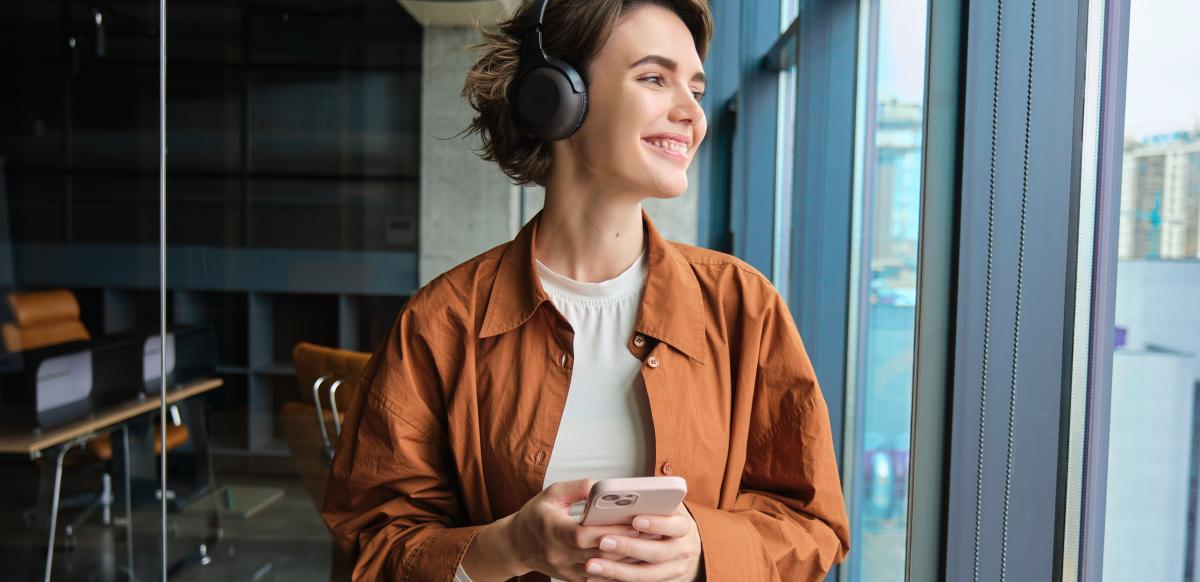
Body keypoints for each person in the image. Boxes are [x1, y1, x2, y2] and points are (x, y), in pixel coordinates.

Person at [321, 0, 850, 580]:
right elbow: (371, 541)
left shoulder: (744, 306)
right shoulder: (442, 321)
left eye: (696, 90)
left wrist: (703, 547)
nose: (692, 114)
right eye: (654, 78)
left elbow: (814, 525)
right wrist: (506, 546)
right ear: (558, 96)